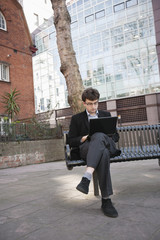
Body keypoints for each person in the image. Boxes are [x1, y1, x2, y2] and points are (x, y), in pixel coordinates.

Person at [68, 87, 120, 218]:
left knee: (100, 137)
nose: (93, 106)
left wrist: (106, 137)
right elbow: (71, 140)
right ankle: (106, 201)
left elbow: (116, 137)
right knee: (103, 153)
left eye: (95, 103)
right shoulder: (77, 119)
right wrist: (83, 138)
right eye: (90, 103)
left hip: (106, 146)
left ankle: (87, 177)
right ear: (84, 103)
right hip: (87, 148)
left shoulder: (105, 115)